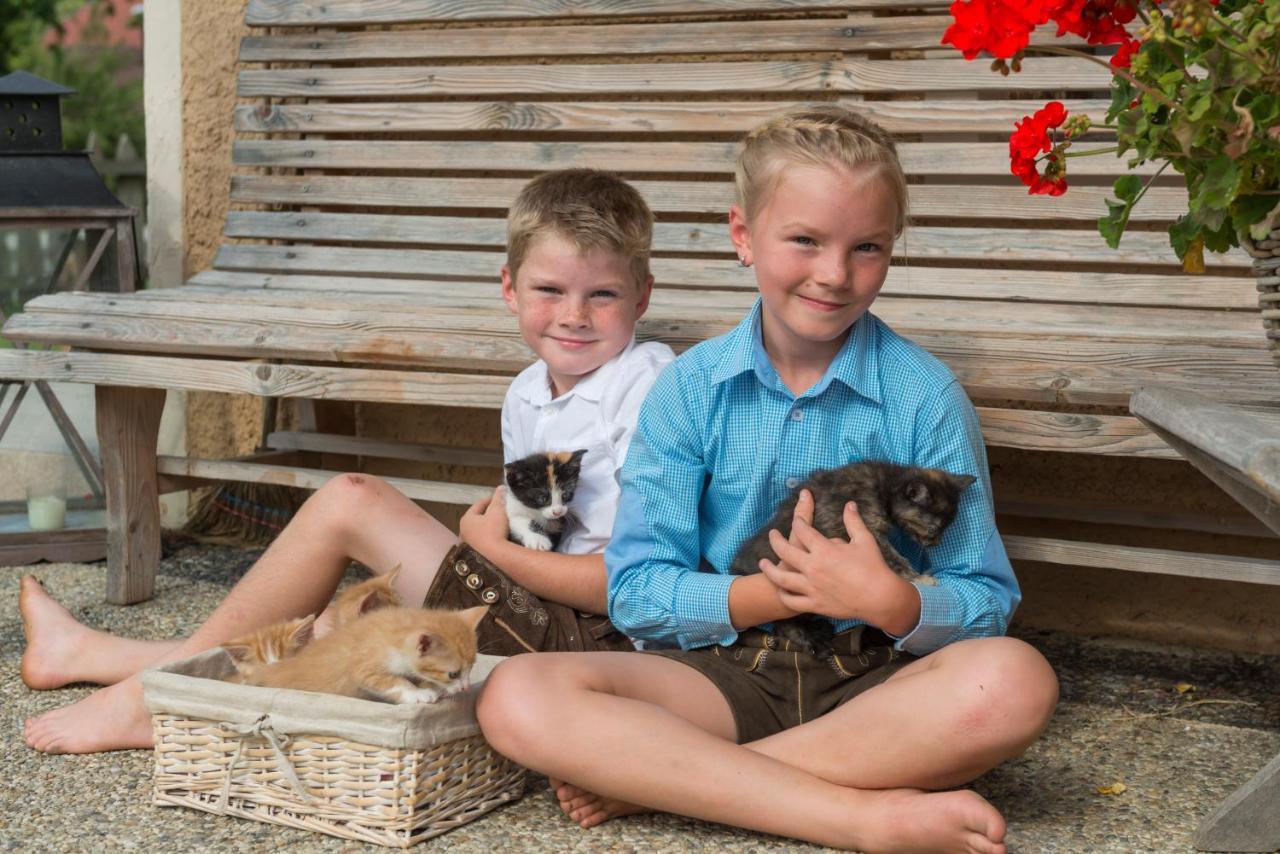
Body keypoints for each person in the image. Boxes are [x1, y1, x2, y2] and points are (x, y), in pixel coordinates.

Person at [474, 107, 1059, 854]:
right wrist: (762, 595)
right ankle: (857, 816)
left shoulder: (925, 395)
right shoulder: (691, 389)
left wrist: (894, 601)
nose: (834, 274)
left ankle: (672, 780)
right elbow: (637, 588)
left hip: (880, 680)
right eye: (805, 240)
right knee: (519, 696)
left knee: (1015, 681)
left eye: (868, 248)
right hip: (725, 669)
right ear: (744, 237)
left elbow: (985, 597)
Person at [20, 168, 674, 755]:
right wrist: (495, 534)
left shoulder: (646, 388)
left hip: (593, 645)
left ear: (642, 297)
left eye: (603, 296)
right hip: (535, 604)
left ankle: (150, 700)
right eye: (550, 289)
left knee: (351, 499)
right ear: (509, 288)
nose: (574, 315)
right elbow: (546, 521)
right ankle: (95, 653)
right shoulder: (530, 389)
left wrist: (491, 552)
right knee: (338, 623)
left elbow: (631, 586)